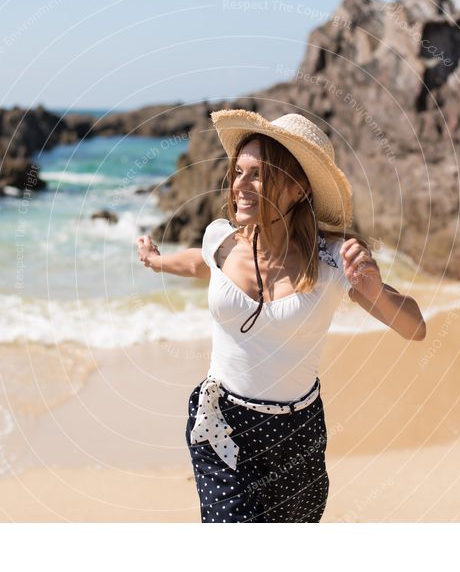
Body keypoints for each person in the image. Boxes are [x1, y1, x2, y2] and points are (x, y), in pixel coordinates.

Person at [136, 109, 426, 522]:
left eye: (258, 174)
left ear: (295, 187)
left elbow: (414, 328)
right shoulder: (221, 238)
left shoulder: (330, 261)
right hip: (222, 424)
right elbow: (201, 264)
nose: (241, 184)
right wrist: (158, 261)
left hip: (297, 436)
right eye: (239, 171)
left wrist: (375, 291)